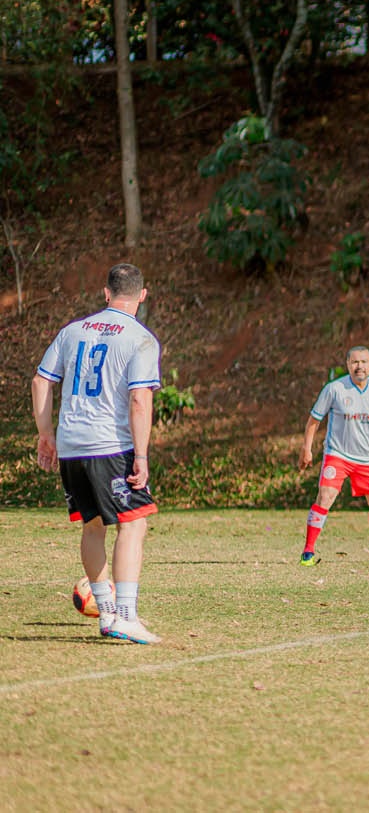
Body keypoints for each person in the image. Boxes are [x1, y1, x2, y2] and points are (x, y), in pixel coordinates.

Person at [31, 263, 163, 644]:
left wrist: (46, 434)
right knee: (133, 523)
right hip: (111, 446)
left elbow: (41, 381)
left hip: (71, 444)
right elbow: (139, 399)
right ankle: (126, 616)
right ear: (142, 295)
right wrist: (141, 456)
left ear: (106, 293)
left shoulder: (73, 331)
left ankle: (106, 612)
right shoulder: (140, 338)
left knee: (92, 526)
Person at [299, 346, 369, 565]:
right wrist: (306, 448)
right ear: (348, 364)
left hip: (368, 458)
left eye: (364, 362)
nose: (360, 366)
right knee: (325, 496)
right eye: (355, 362)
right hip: (337, 454)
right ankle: (308, 551)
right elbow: (314, 420)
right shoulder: (334, 389)